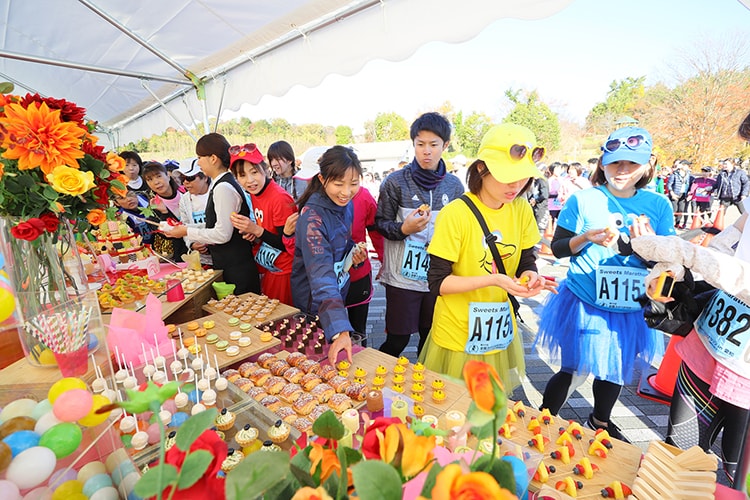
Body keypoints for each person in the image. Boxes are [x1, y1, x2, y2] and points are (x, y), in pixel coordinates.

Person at [628, 110, 750, 485]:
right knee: (677, 460)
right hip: (707, 347)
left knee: (732, 479)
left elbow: (737, 274)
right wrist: (674, 267)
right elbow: (726, 251)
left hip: (746, 374)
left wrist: (694, 256)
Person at [534, 126, 675, 442]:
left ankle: (599, 421)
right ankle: (543, 419)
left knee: (615, 368)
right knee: (574, 368)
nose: (622, 170)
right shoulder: (583, 200)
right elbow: (557, 248)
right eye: (615, 163)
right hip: (586, 301)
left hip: (631, 307)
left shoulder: (660, 205)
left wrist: (649, 244)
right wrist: (584, 238)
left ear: (647, 165)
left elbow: (668, 263)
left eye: (631, 163)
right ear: (603, 163)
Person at [420, 123, 554, 387]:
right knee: (454, 412)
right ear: (481, 168)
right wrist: (494, 280)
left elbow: (526, 259)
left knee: (491, 411)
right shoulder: (456, 213)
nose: (516, 185)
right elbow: (438, 283)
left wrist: (530, 277)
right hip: (458, 331)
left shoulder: (521, 209)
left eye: (524, 176)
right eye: (507, 176)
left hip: (498, 328)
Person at [375, 112, 464, 358]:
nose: (426, 151)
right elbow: (380, 223)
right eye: (420, 144)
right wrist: (404, 230)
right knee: (397, 340)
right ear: (413, 144)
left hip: (438, 277)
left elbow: (461, 230)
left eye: (433, 145)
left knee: (431, 338)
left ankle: (423, 389)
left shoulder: (455, 186)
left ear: (445, 145)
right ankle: (380, 380)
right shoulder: (394, 182)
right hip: (402, 279)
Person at [291, 146, 367, 365]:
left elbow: (341, 243)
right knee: (319, 360)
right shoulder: (312, 219)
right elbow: (321, 277)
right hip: (315, 302)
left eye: (353, 184)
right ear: (322, 179)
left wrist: (353, 253)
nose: (346, 192)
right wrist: (341, 328)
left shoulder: (346, 204)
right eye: (338, 184)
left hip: (336, 293)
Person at [163, 134, 260, 295]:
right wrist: (185, 227)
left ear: (213, 158)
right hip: (232, 265)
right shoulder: (221, 183)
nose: (199, 162)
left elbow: (223, 234)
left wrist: (187, 231)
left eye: (200, 157)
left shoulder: (223, 188)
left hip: (237, 268)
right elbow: (219, 223)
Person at [229, 144, 297, 304]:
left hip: (285, 271)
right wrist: (254, 235)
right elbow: (268, 231)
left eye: (254, 172)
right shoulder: (255, 193)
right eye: (242, 175)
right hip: (271, 267)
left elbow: (287, 244)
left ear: (265, 170)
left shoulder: (279, 198)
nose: (250, 180)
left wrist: (257, 230)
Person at [346, 185, 384, 337]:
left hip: (357, 275)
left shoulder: (363, 197)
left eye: (353, 181)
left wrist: (383, 260)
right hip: (327, 279)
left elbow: (375, 233)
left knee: (357, 332)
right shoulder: (315, 199)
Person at [143, 161, 187, 260]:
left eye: (158, 176)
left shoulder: (185, 192)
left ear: (168, 175)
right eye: (150, 179)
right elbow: (167, 234)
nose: (156, 182)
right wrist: (164, 213)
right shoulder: (153, 207)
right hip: (180, 256)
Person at [176, 158, 213, 267]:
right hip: (202, 259)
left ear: (205, 177)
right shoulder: (184, 200)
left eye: (190, 178)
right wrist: (192, 244)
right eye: (182, 178)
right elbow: (184, 226)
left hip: (223, 254)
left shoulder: (217, 192)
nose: (186, 182)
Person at [667, 160, 693, 229]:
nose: (687, 167)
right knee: (674, 210)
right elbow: (669, 185)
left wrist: (689, 194)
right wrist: (672, 193)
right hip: (675, 193)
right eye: (686, 165)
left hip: (683, 194)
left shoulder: (688, 174)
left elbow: (691, 184)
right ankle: (670, 223)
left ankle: (677, 223)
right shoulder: (674, 174)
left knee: (681, 210)